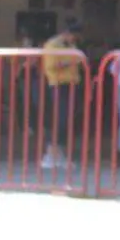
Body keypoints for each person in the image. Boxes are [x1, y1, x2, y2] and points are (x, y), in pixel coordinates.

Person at [39, 19, 87, 170]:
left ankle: (59, 154)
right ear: (67, 33)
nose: (75, 39)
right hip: (58, 85)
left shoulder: (71, 45)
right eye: (74, 36)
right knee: (59, 119)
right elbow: (51, 66)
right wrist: (72, 62)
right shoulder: (52, 45)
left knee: (67, 121)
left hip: (72, 84)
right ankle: (50, 153)